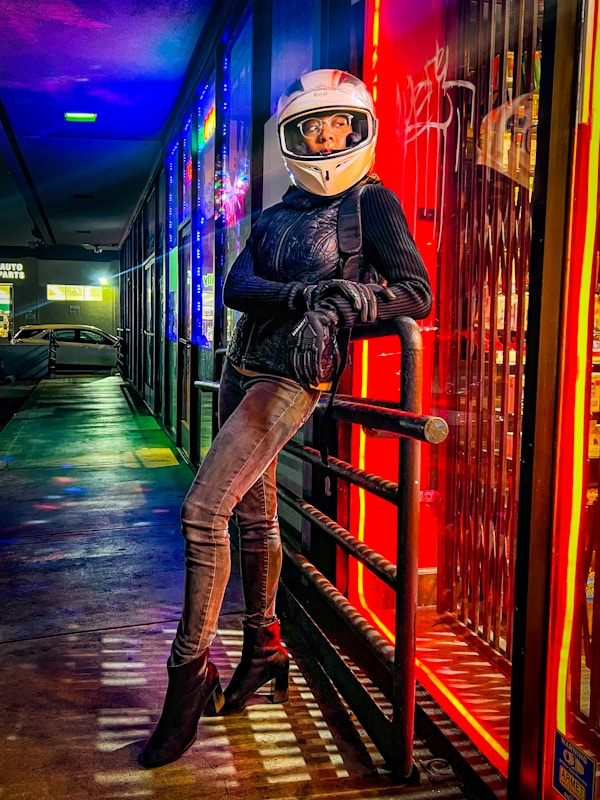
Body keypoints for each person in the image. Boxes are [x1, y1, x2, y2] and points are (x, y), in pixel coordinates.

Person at [139, 68, 432, 769]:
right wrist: (311, 293)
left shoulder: (375, 203)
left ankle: (190, 675)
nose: (326, 139)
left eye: (337, 125)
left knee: (202, 512)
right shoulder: (275, 214)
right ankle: (264, 648)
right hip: (244, 369)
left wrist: (344, 304)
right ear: (294, 137)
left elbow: (415, 292)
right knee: (251, 518)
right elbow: (239, 284)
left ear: (359, 129)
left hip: (292, 377)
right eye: (312, 128)